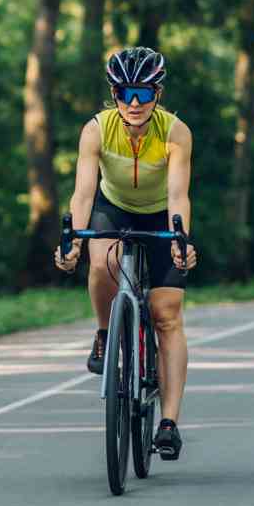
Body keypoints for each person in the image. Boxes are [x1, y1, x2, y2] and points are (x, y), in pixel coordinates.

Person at [55, 46, 198, 460]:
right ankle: (105, 334)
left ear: (158, 92)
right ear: (113, 94)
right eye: (124, 93)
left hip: (159, 213)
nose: (134, 104)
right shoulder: (96, 130)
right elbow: (83, 192)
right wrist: (74, 242)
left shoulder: (176, 132)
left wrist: (179, 240)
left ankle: (168, 423)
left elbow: (177, 195)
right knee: (100, 263)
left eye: (144, 93)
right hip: (111, 206)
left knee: (167, 315)